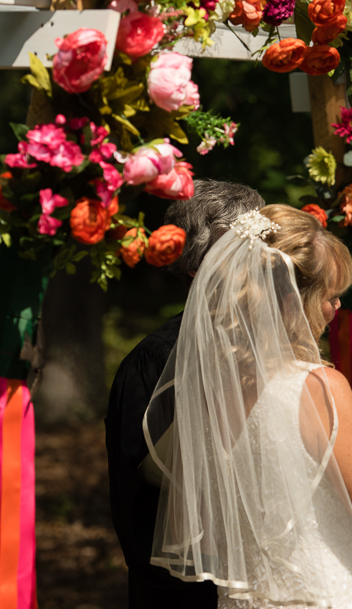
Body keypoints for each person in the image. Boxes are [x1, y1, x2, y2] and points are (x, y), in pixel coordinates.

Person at [144, 204, 352, 608]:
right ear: (289, 302)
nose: (335, 309)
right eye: (329, 297)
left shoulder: (208, 392)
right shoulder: (318, 386)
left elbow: (194, 523)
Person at [105, 180, 265, 609]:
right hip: (188, 590)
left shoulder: (274, 344)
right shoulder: (155, 361)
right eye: (244, 249)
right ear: (199, 262)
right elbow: (138, 497)